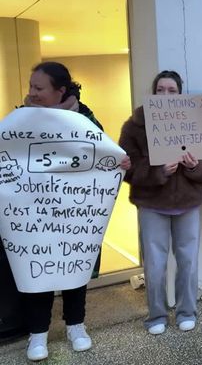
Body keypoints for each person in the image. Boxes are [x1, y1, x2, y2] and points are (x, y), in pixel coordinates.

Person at [21, 61, 130, 361]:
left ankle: (76, 326)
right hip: (36, 213)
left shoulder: (86, 120)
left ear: (60, 91)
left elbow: (104, 153)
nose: (32, 93)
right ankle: (38, 333)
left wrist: (119, 163)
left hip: (75, 212)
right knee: (38, 270)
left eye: (39, 88)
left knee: (74, 266)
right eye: (30, 86)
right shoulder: (21, 120)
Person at [119, 70, 202, 335]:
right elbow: (127, 167)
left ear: (180, 94)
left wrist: (196, 167)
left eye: (171, 90)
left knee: (188, 260)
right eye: (160, 89)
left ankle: (186, 311)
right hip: (152, 204)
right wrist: (157, 171)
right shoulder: (135, 125)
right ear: (153, 92)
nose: (165, 94)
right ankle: (157, 315)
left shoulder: (197, 122)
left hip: (187, 203)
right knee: (154, 263)